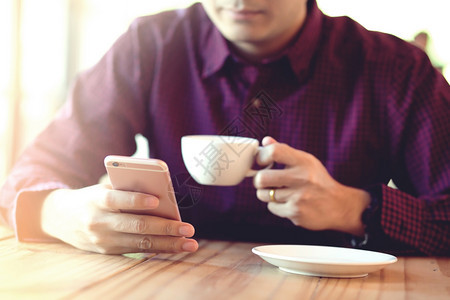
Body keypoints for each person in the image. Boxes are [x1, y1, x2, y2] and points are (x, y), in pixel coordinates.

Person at [1, 0, 449, 256]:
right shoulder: (151, 47)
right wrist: (60, 213)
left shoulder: (394, 70)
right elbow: (34, 172)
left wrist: (356, 207)